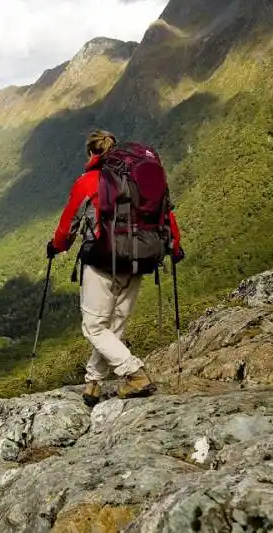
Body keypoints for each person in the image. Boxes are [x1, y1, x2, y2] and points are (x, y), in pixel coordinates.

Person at [46, 129, 183, 406]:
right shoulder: (139, 180)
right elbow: (165, 215)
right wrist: (175, 247)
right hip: (139, 260)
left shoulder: (88, 182)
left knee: (95, 328)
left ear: (91, 153)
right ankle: (93, 383)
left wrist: (55, 247)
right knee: (113, 327)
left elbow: (67, 227)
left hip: (102, 263)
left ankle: (135, 373)